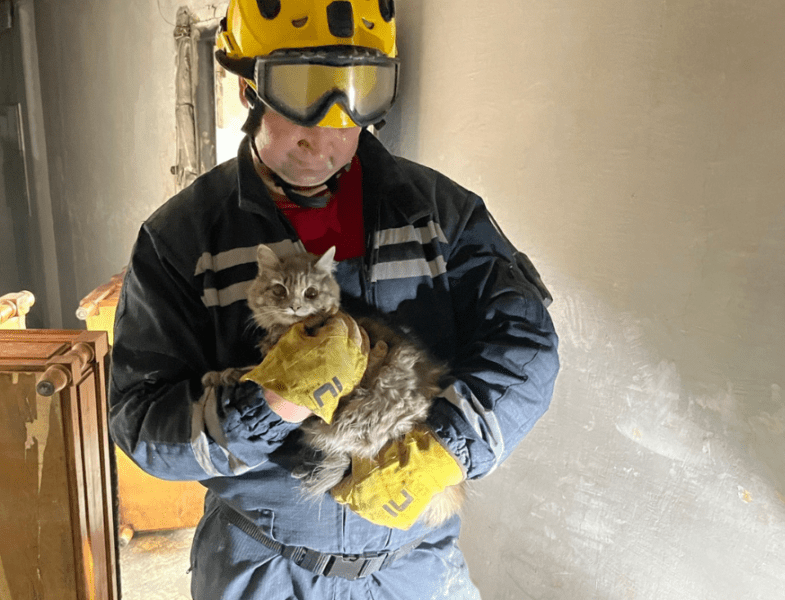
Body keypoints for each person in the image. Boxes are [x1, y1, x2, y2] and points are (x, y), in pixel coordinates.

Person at [108, 0, 560, 598]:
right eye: (300, 90)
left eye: (355, 93)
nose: (325, 133)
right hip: (261, 566)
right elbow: (141, 422)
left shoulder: (440, 214)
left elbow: (527, 343)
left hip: (414, 569)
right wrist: (267, 404)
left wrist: (449, 449)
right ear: (249, 89)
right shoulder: (183, 238)